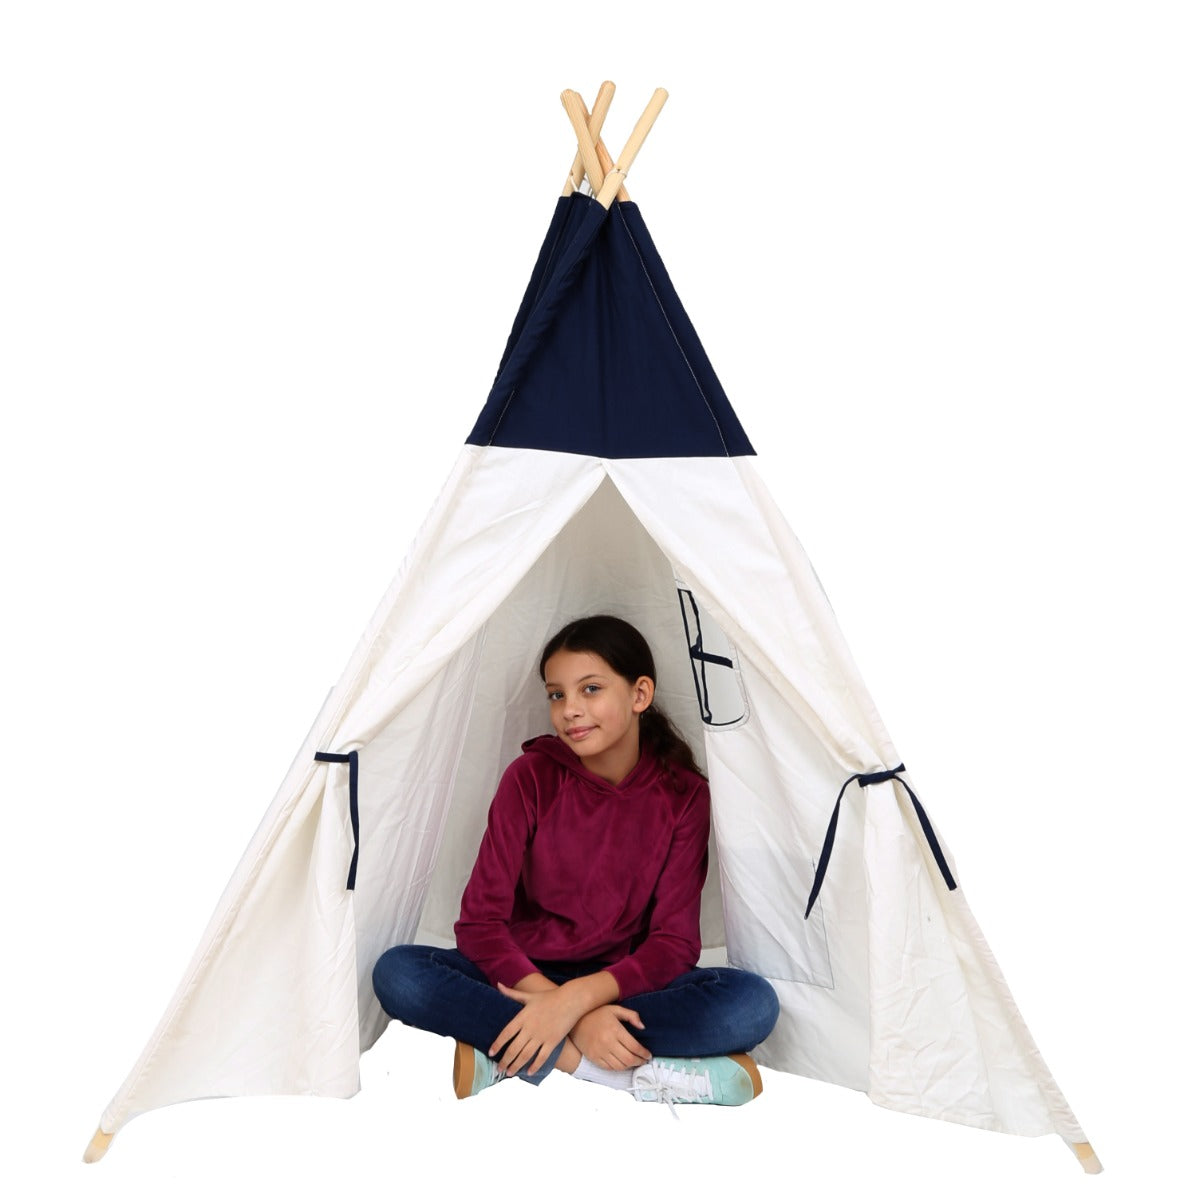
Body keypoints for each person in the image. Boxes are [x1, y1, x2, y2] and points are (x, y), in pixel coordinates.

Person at [373, 614, 779, 1108]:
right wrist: (565, 1010)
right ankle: (606, 1070)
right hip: (519, 977)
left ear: (639, 695)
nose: (569, 710)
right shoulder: (530, 778)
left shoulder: (685, 796)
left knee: (749, 1006)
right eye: (556, 694)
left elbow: (673, 944)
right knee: (399, 973)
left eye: (590, 689)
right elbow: (480, 925)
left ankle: (506, 1053)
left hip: (620, 986)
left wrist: (577, 1002)